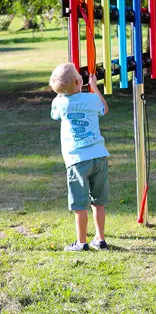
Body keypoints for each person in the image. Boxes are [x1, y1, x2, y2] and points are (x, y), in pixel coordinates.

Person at [49, 63, 110, 251]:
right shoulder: (92, 99)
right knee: (98, 202)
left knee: (79, 204)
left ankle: (81, 242)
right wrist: (95, 87)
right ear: (79, 81)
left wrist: (61, 94)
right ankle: (100, 239)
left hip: (76, 160)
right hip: (99, 156)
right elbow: (104, 109)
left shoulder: (59, 102)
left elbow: (55, 116)